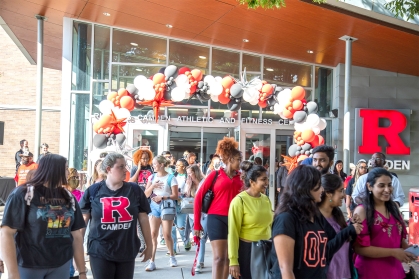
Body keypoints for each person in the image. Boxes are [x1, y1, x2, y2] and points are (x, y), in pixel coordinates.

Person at [1, 154, 87, 279]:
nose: (68, 173)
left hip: (61, 265)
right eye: (65, 168)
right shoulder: (23, 194)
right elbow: (6, 233)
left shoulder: (68, 197)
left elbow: (76, 236)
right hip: (29, 265)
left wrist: (82, 272)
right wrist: (13, 273)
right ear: (54, 170)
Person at [271, 165, 356, 279]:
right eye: (319, 185)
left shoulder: (314, 216)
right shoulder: (286, 218)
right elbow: (285, 269)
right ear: (306, 186)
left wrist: (349, 230)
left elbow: (325, 252)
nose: (322, 189)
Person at [79, 153, 152, 279]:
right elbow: (83, 222)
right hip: (100, 250)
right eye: (121, 167)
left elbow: (143, 218)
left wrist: (149, 245)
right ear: (108, 169)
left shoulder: (134, 190)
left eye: (126, 166)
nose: (126, 170)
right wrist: (78, 252)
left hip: (126, 250)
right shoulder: (93, 191)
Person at [353, 168, 416, 279]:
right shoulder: (362, 211)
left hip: (395, 271)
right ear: (369, 187)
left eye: (389, 185)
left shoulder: (394, 208)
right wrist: (393, 252)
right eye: (381, 186)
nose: (387, 190)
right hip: (370, 272)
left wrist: (407, 250)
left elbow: (398, 239)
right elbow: (359, 248)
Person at [194, 137, 243, 279]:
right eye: (238, 159)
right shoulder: (215, 175)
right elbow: (198, 198)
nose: (240, 162)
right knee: (219, 258)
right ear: (229, 159)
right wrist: (197, 224)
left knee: (229, 257)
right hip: (216, 218)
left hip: (236, 220)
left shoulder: (242, 178)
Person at [228, 161, 273, 279]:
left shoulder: (266, 199)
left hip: (266, 248)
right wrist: (233, 261)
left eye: (267, 179)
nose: (267, 183)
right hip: (247, 251)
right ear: (252, 182)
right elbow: (233, 233)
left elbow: (269, 225)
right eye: (263, 180)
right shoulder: (239, 201)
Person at [318, 174, 362, 279]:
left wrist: (353, 227)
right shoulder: (315, 219)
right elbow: (324, 252)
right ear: (329, 194)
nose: (343, 195)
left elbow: (346, 243)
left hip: (345, 273)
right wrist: (348, 230)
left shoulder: (337, 214)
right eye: (341, 191)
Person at [144, 155, 179, 271]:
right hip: (154, 207)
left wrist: (163, 197)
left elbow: (175, 195)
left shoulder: (171, 178)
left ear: (162, 165)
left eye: (155, 164)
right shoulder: (151, 177)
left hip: (167, 206)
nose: (153, 166)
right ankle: (152, 261)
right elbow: (146, 194)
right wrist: (153, 186)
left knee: (166, 234)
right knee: (153, 234)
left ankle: (172, 256)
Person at [184, 164, 207, 273]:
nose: (189, 175)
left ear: (196, 172)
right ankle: (199, 260)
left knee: (202, 238)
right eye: (187, 173)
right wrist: (188, 186)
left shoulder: (204, 182)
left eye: (190, 173)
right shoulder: (190, 183)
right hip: (193, 215)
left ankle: (199, 261)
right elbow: (186, 197)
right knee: (197, 238)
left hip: (205, 214)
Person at [171, 158, 190, 254]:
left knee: (181, 227)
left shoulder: (187, 177)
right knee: (172, 227)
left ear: (184, 167)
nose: (176, 167)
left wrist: (181, 194)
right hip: (172, 203)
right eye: (176, 165)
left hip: (182, 204)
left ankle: (186, 241)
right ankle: (173, 249)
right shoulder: (173, 176)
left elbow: (188, 191)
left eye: (178, 165)